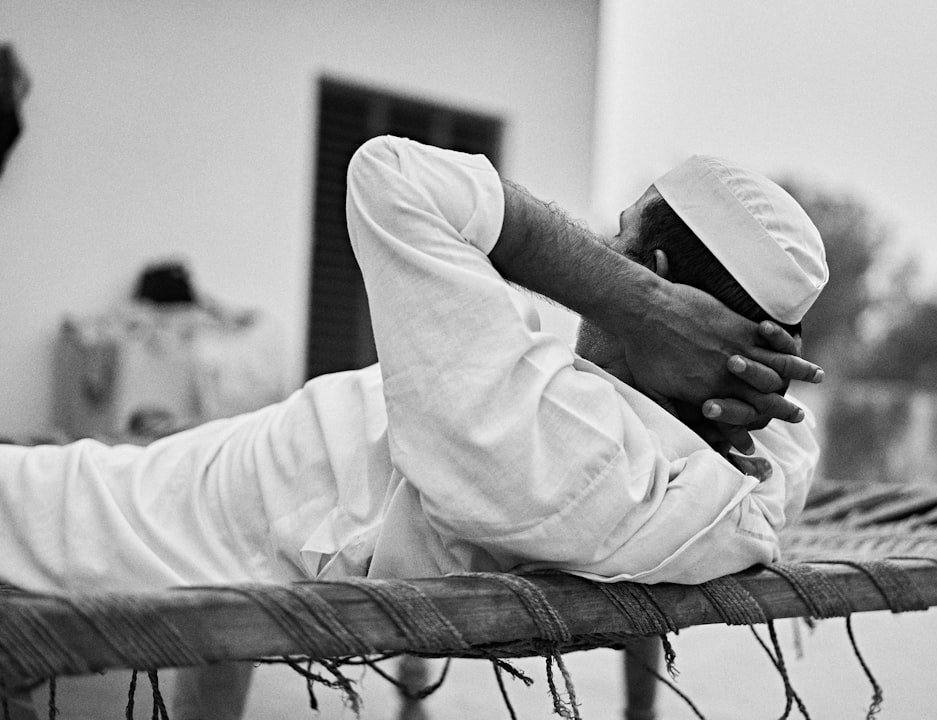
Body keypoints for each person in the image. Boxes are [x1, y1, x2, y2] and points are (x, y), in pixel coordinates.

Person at [0, 136, 826, 717]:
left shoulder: (547, 436)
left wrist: (638, 308)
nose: (599, 252)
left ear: (659, 284)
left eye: (617, 244)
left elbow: (390, 171)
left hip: (139, 522)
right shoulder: (724, 486)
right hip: (218, 498)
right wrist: (728, 367)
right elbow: (792, 440)